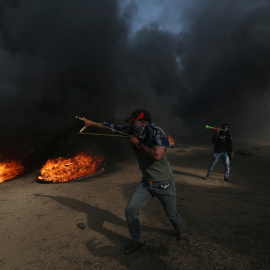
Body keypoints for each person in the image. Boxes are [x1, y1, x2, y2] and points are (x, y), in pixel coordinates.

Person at [82, 109, 188, 255]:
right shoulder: (133, 131)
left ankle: (180, 231)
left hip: (164, 183)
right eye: (131, 122)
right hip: (146, 183)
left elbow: (157, 155)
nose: (131, 124)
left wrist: (138, 145)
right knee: (131, 210)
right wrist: (91, 123)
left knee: (171, 213)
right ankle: (137, 240)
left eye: (134, 122)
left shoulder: (157, 132)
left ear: (143, 122)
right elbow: (112, 127)